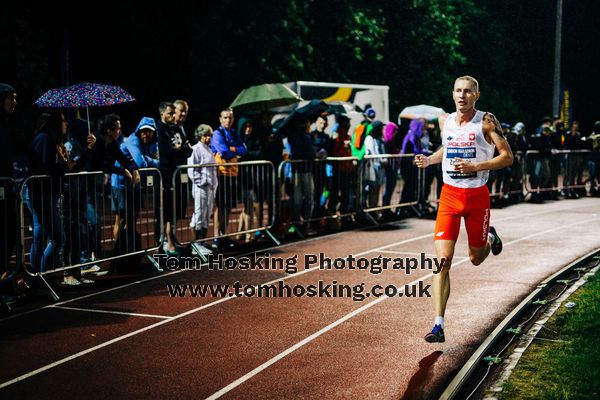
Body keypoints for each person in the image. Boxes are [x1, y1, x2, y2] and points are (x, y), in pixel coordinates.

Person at [415, 76, 513, 343]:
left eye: (468, 91)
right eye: (458, 91)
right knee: (441, 262)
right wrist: (429, 160)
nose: (462, 96)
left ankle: (490, 237)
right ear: (452, 94)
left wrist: (475, 167)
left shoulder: (487, 121)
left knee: (475, 258)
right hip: (449, 196)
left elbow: (507, 157)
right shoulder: (444, 121)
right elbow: (446, 148)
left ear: (476, 95)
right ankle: (438, 325)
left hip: (476, 198)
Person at [187, 124, 217, 253]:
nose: (208, 138)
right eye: (205, 135)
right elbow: (192, 170)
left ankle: (202, 242)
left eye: (209, 135)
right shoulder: (196, 149)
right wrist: (201, 182)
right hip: (201, 187)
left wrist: (213, 184)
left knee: (206, 215)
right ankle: (196, 245)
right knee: (199, 214)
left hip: (210, 186)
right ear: (199, 136)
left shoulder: (209, 149)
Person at [0, 84, 18, 280]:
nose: (14, 102)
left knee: (10, 233)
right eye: (10, 98)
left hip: (6, 187)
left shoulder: (6, 124)